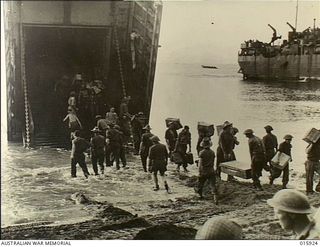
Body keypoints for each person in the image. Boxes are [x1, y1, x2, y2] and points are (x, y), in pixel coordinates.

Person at [196, 137, 218, 204]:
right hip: (211, 170)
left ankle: (200, 195)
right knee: (213, 185)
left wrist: (199, 172)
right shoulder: (212, 152)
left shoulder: (201, 152)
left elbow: (200, 164)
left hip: (204, 171)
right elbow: (213, 162)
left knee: (201, 184)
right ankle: (215, 198)